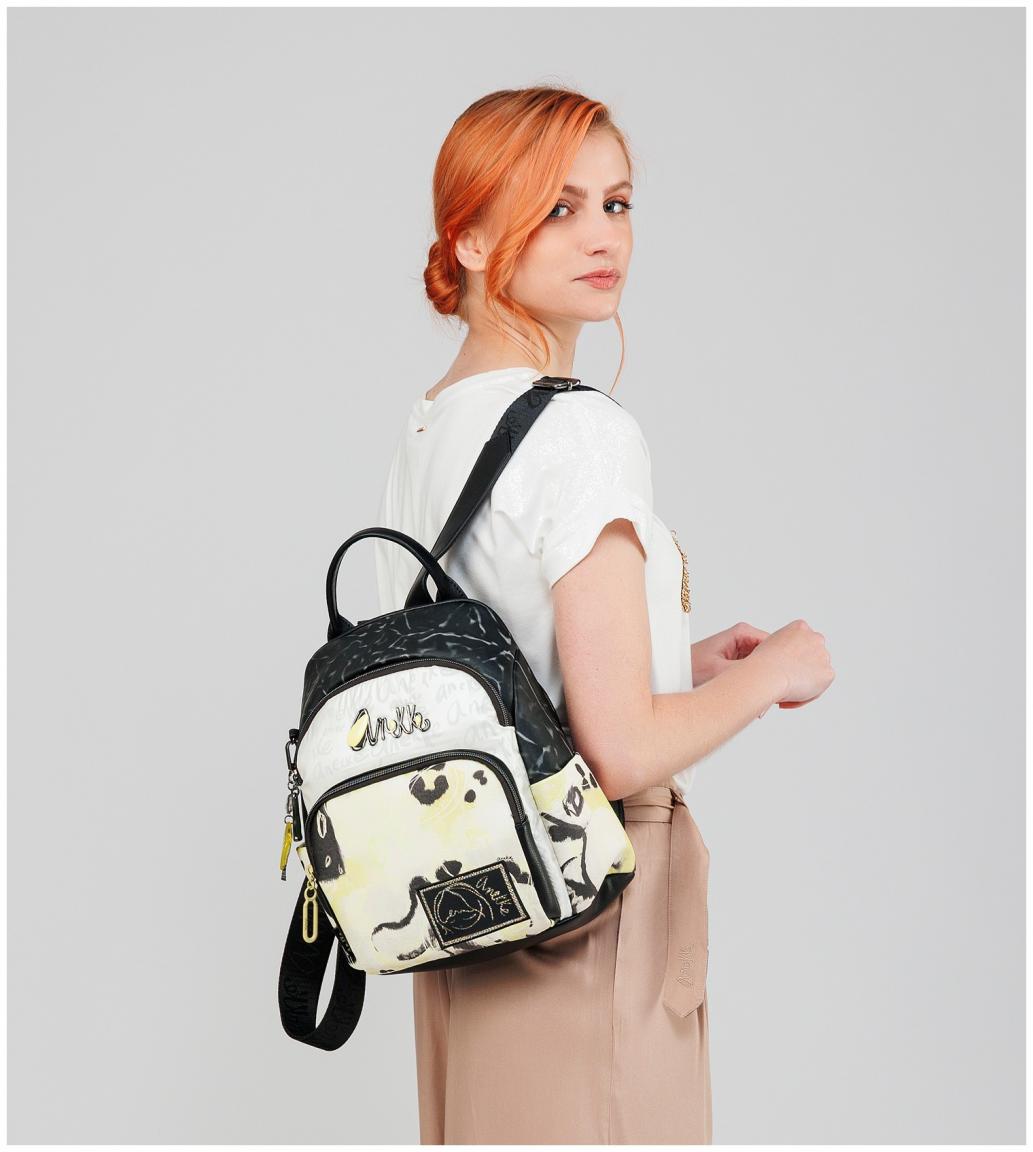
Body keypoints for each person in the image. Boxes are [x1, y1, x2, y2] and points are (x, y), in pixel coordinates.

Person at [373, 85, 835, 1146]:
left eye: (616, 203)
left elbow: (491, 662)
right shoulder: (581, 433)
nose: (601, 236)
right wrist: (774, 672)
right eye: (557, 207)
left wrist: (682, 658)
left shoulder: (429, 428)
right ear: (471, 239)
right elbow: (617, 751)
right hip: (585, 902)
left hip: (463, 901)